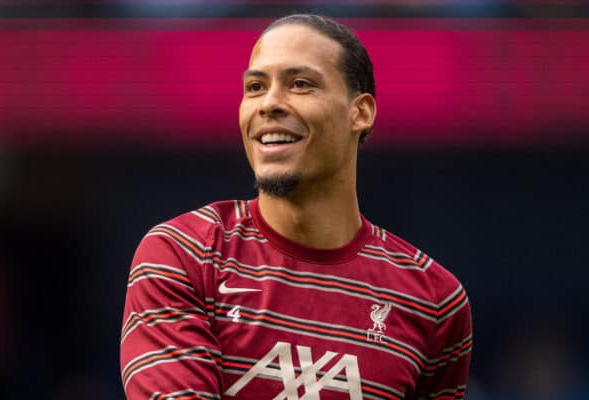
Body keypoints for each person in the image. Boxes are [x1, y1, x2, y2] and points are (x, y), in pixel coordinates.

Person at [120, 14, 472, 400]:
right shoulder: (184, 254)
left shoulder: (435, 301)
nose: (269, 103)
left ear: (361, 112)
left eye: (300, 84)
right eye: (255, 87)